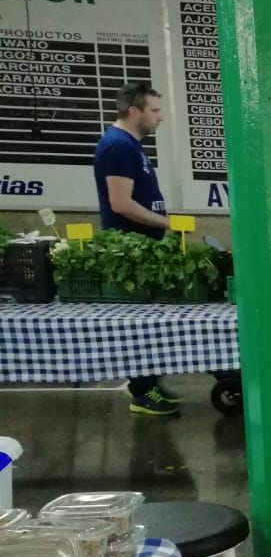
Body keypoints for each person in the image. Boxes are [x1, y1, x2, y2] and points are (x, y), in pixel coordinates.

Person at [94, 81, 178, 416]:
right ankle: (142, 392)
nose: (160, 118)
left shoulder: (130, 145)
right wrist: (166, 223)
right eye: (154, 111)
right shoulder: (117, 147)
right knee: (140, 325)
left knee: (150, 323)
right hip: (132, 249)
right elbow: (120, 204)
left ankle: (149, 384)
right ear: (134, 111)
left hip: (145, 246)